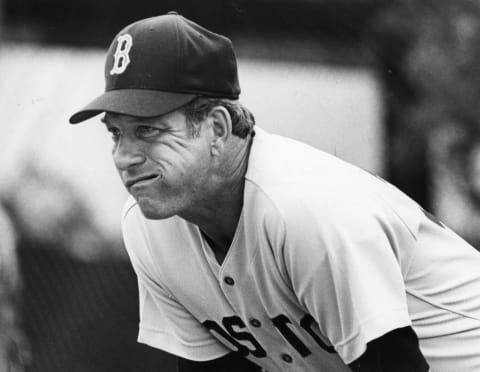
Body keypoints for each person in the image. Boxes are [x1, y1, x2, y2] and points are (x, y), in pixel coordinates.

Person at [69, 12, 480, 372]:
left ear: (217, 128)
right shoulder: (149, 228)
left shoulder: (304, 207)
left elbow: (393, 364)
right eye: (116, 133)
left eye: (147, 130)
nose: (125, 157)